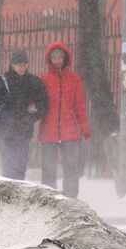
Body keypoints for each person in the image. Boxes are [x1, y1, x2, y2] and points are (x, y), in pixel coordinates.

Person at [0, 48, 48, 180]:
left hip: (23, 131)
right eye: (19, 65)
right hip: (5, 130)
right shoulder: (0, 81)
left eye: (24, 64)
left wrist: (31, 117)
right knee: (8, 165)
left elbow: (43, 105)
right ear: (12, 65)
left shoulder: (33, 82)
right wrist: (1, 102)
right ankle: (9, 195)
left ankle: (17, 193)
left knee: (21, 166)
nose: (22, 67)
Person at [37, 42, 90, 198]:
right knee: (48, 168)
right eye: (54, 57)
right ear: (49, 59)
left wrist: (84, 126)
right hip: (48, 131)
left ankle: (71, 199)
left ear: (65, 57)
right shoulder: (43, 79)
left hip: (70, 131)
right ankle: (48, 199)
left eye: (60, 57)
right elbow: (38, 104)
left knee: (71, 167)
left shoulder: (74, 79)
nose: (58, 60)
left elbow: (80, 105)